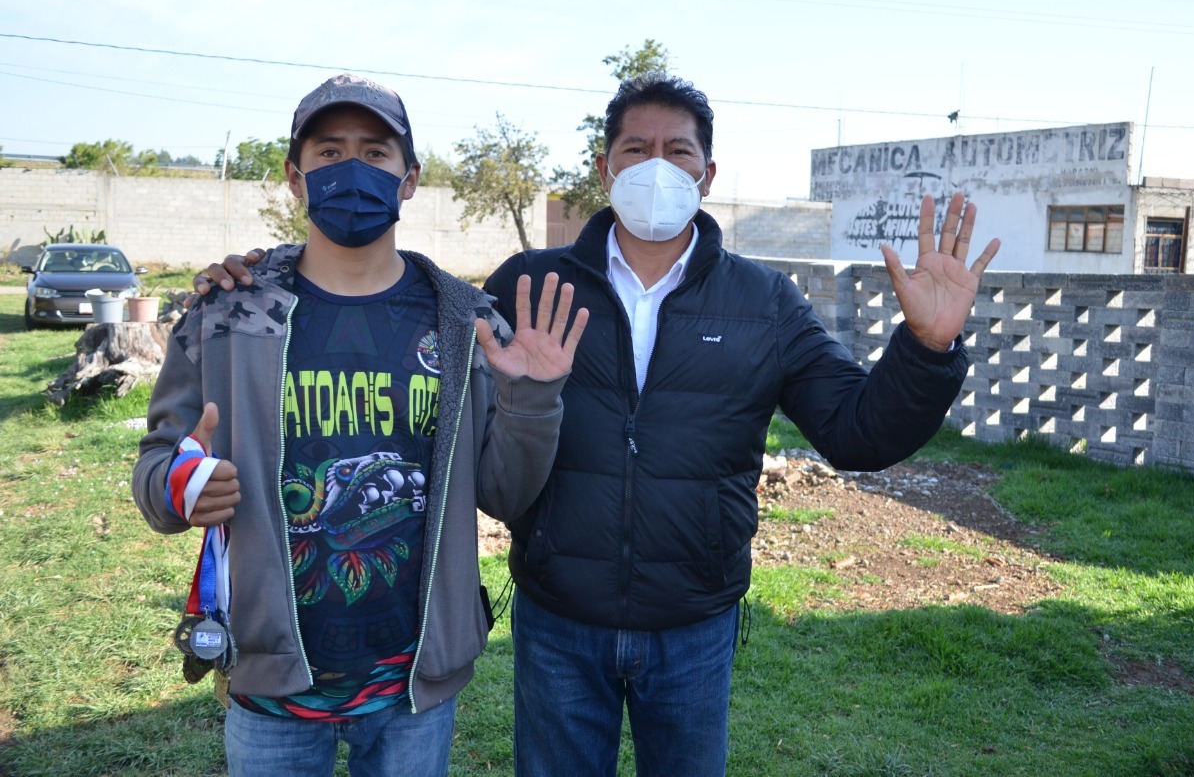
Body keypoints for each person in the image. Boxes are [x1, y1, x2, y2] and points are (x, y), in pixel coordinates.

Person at [197, 71, 999, 776]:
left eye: (678, 152)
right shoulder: (529, 284)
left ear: (708, 173)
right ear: (604, 167)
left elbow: (859, 431)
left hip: (693, 623)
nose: (657, 166)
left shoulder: (764, 302)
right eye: (634, 149)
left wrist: (927, 349)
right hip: (557, 622)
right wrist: (258, 272)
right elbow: (405, 320)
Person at [136, 72, 587, 777]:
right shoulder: (228, 314)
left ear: (410, 179)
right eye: (328, 152)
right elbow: (160, 462)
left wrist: (533, 400)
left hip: (411, 685)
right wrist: (176, 487)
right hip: (270, 684)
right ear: (295, 176)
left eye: (376, 153)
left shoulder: (468, 323)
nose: (352, 168)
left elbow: (505, 492)